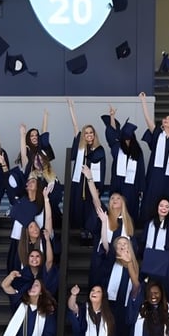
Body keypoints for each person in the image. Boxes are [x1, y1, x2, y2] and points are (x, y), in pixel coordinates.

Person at [141, 92, 169, 223]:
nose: (167, 119)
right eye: (166, 118)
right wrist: (143, 101)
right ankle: (148, 222)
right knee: (151, 197)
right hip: (155, 172)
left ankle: (166, 222)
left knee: (166, 197)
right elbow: (148, 120)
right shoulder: (158, 134)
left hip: (168, 175)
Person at [68, 99, 106, 245]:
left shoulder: (99, 150)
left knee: (90, 208)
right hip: (78, 184)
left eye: (91, 133)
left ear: (94, 135)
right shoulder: (80, 148)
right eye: (86, 133)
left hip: (91, 185)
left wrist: (99, 186)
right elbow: (75, 126)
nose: (89, 135)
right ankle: (80, 231)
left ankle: (90, 232)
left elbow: (101, 169)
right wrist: (71, 108)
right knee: (78, 207)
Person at [102, 105, 144, 222]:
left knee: (131, 207)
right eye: (125, 138)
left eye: (129, 139)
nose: (127, 141)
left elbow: (141, 170)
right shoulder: (117, 147)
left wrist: (141, 188)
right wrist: (112, 117)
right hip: (118, 183)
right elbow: (112, 135)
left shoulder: (137, 152)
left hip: (132, 185)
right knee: (117, 206)